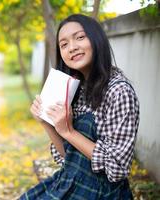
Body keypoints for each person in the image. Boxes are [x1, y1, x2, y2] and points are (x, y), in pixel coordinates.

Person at [19, 14, 140, 200]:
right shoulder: (76, 88)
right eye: (64, 44)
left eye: (80, 37)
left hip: (102, 193)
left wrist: (69, 132)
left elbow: (117, 169)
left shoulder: (119, 91)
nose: (72, 47)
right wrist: (46, 123)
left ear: (96, 39)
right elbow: (68, 157)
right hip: (71, 182)